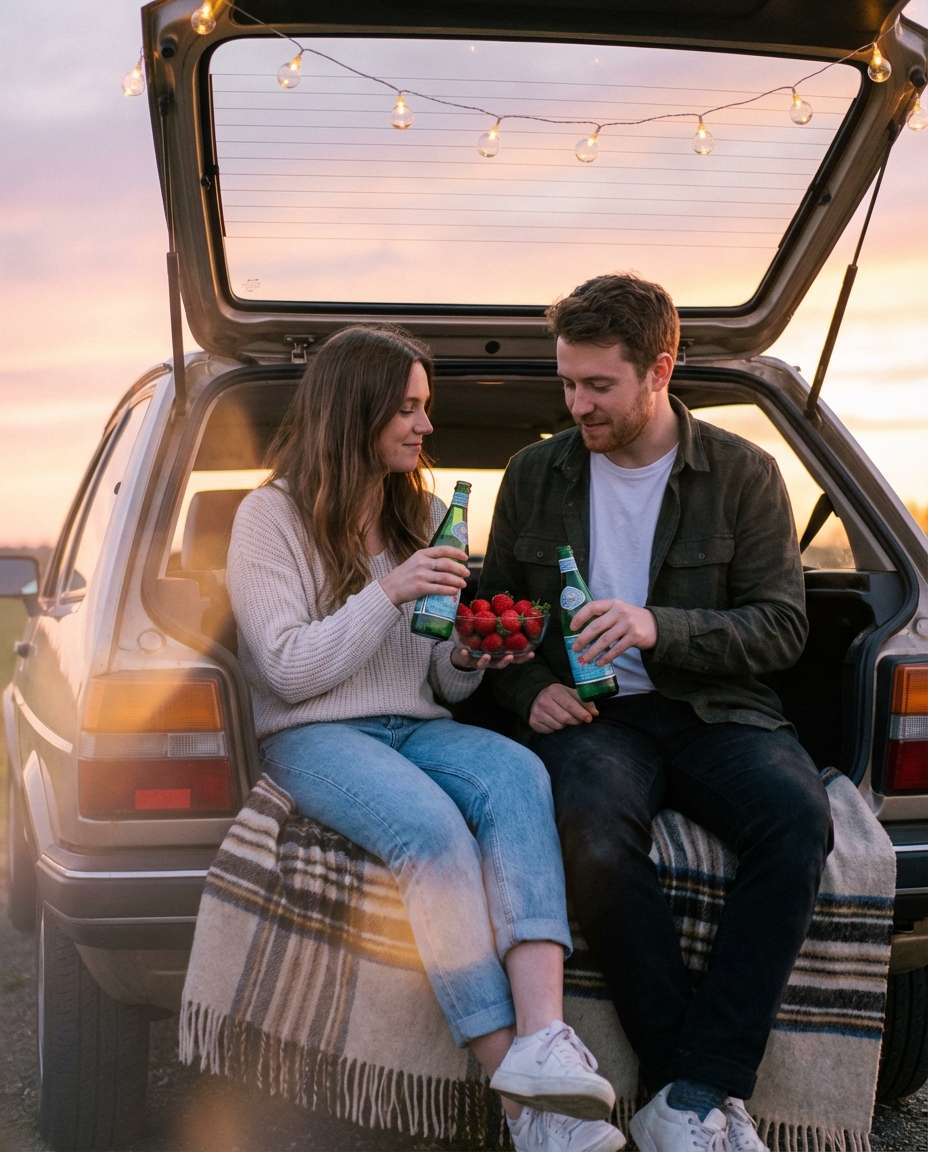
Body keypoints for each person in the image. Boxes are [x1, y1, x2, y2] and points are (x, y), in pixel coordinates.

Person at [225, 324, 625, 1152]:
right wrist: (390, 592)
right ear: (355, 410)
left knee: (518, 773)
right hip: (313, 734)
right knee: (433, 830)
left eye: (424, 408)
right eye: (408, 408)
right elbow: (288, 669)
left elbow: (440, 682)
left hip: (417, 724)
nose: (424, 426)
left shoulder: (421, 515)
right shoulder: (267, 519)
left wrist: (472, 654)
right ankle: (527, 1112)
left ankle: (546, 1042)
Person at [479, 275, 833, 1152]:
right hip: (596, 725)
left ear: (659, 370)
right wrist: (531, 691)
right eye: (567, 382)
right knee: (592, 841)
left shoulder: (744, 474)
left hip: (718, 710)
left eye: (598, 386)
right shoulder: (535, 474)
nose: (577, 404)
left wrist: (653, 626)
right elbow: (495, 623)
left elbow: (783, 627)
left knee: (798, 822)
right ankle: (694, 1098)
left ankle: (690, 1090)